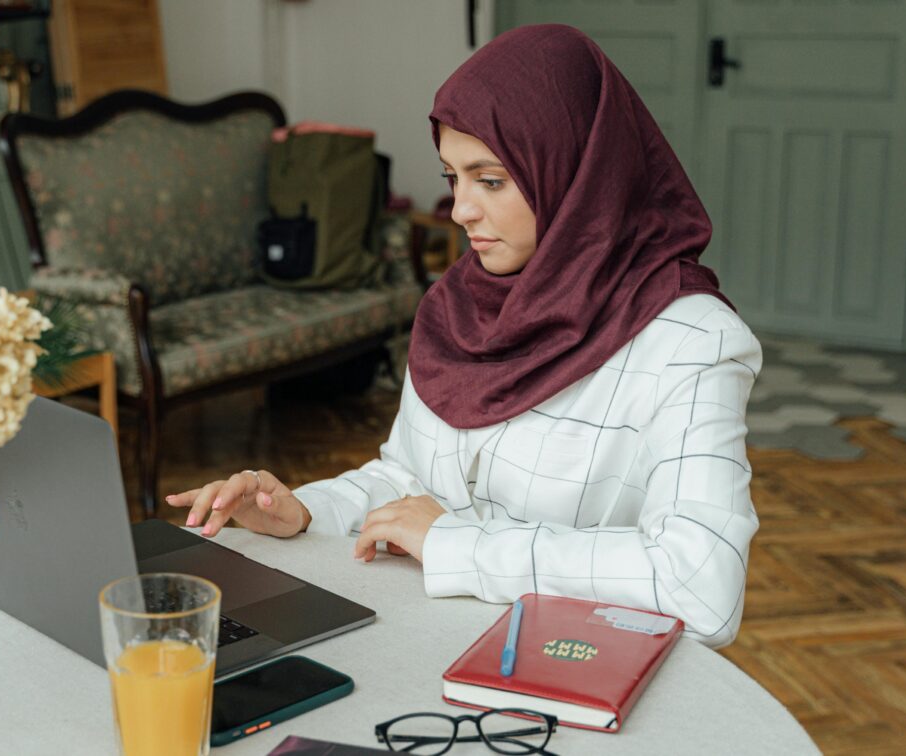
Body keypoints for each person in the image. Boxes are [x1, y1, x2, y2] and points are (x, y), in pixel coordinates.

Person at [167, 24, 761, 649]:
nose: (460, 210)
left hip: (565, 673)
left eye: (492, 180)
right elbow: (407, 481)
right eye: (454, 177)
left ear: (575, 172)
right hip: (421, 641)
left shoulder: (692, 340)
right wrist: (302, 513)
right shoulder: (459, 306)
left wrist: (458, 545)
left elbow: (702, 586)